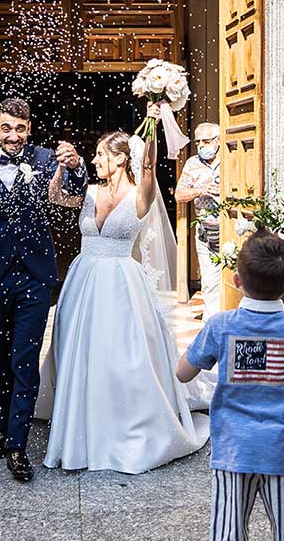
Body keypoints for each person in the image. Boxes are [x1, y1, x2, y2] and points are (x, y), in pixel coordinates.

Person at [40, 126, 208, 474]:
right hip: (83, 280)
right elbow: (55, 196)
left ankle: (119, 422)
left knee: (118, 354)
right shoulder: (88, 191)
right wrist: (62, 167)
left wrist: (154, 117)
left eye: (100, 154)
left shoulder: (139, 195)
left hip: (121, 283)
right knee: (79, 349)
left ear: (119, 158)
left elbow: (148, 168)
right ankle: (79, 417)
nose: (94, 159)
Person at [177, 231, 284, 541]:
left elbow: (183, 372)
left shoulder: (222, 325)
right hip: (283, 455)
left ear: (237, 280)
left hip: (233, 453)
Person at [0, 95, 87, 482]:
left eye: (20, 128)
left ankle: (17, 444)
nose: (13, 136)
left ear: (29, 128)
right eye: (6, 128)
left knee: (24, 360)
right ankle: (5, 429)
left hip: (34, 275)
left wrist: (78, 167)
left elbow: (75, 198)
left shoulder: (48, 159)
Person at [178, 121, 226, 319]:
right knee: (210, 281)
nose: (201, 146)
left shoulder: (231, 158)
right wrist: (200, 190)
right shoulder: (192, 163)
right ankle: (211, 322)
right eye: (198, 142)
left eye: (206, 141)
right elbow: (179, 194)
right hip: (205, 230)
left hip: (230, 228)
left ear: (218, 140)